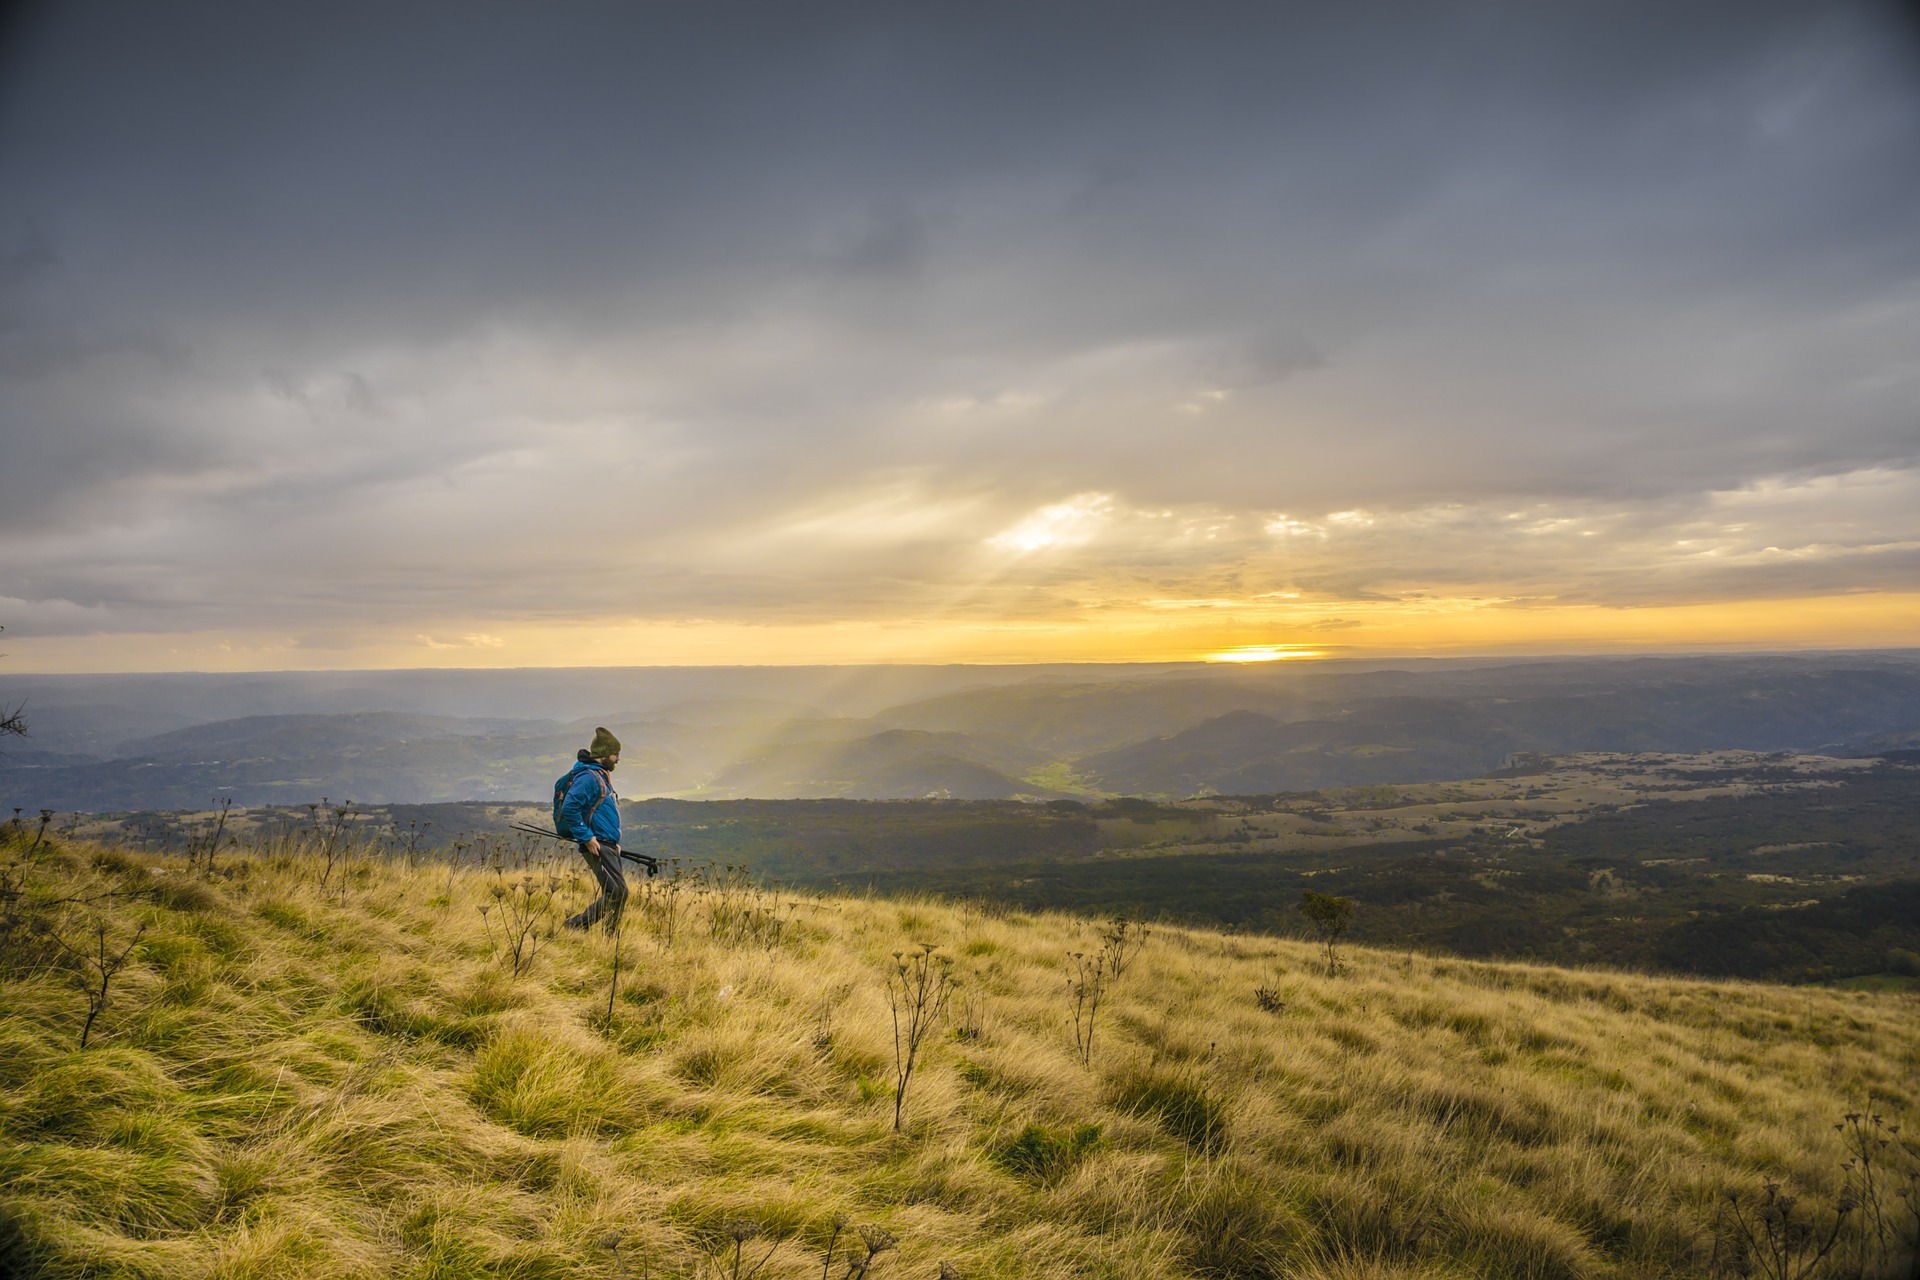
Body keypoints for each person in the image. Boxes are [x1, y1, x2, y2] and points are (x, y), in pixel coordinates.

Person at [559, 726, 627, 931]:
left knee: (619, 892)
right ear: (605, 754)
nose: (618, 759)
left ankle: (609, 940)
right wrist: (587, 837)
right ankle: (576, 926)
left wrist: (614, 842)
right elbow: (569, 807)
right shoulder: (589, 776)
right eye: (616, 754)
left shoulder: (599, 774)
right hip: (597, 844)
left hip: (607, 843)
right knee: (617, 892)